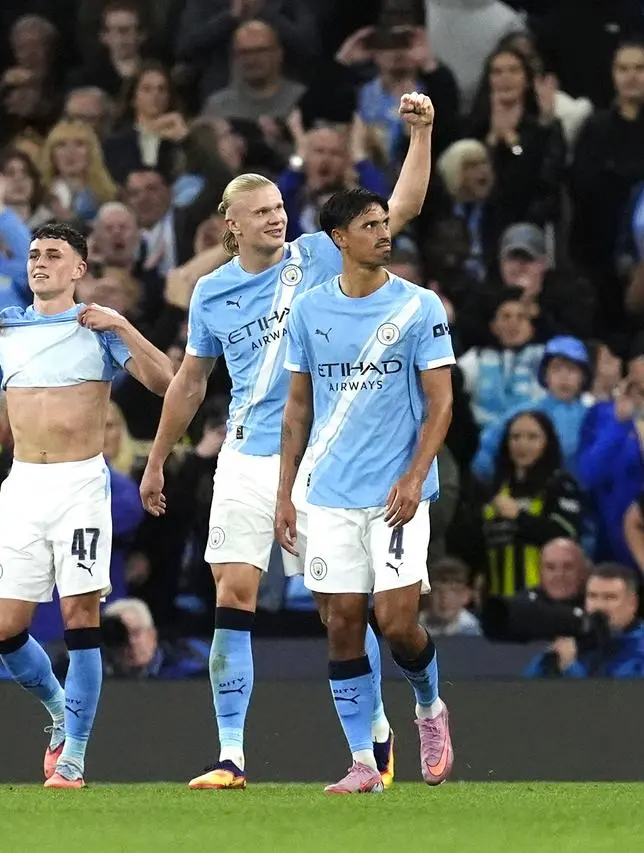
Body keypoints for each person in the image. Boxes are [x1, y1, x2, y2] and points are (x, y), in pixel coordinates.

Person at [138, 92, 436, 790]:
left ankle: (375, 738)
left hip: (319, 457)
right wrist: (156, 458)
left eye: (279, 206)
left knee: (339, 605)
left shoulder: (318, 254)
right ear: (231, 224)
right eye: (263, 210)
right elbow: (188, 383)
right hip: (244, 450)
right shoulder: (210, 293)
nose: (278, 215)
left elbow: (403, 206)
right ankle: (232, 755)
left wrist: (419, 136)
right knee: (232, 593)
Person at [0, 221, 172, 788]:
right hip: (23, 487)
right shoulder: (6, 326)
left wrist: (123, 325)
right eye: (34, 254)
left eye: (53, 255)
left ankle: (74, 757)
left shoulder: (97, 328)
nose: (39, 263)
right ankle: (60, 713)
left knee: (80, 618)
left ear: (78, 269)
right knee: (4, 627)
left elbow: (166, 381)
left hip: (81, 486)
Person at [276, 187, 457, 794]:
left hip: (396, 494)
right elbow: (297, 408)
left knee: (397, 620)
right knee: (341, 622)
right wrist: (284, 495)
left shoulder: (418, 306)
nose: (384, 233)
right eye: (370, 225)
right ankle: (364, 762)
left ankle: (429, 708)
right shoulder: (308, 311)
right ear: (338, 239)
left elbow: (442, 402)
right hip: (326, 492)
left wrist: (413, 476)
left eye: (385, 222)